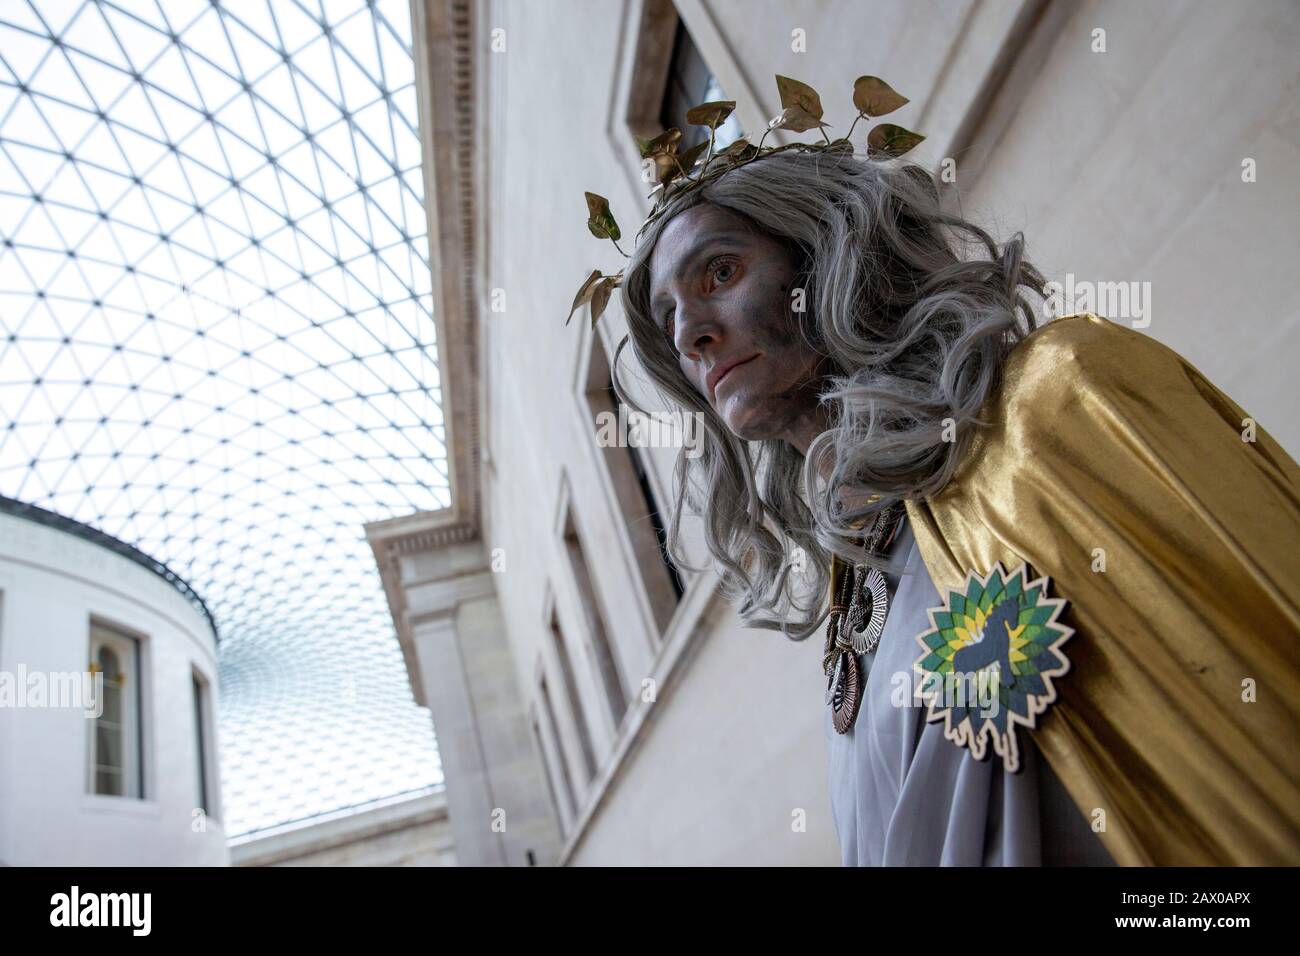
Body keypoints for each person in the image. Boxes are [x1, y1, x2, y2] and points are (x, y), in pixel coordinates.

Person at [573, 80, 1300, 865]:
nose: (694, 334)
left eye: (718, 274)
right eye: (672, 317)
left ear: (823, 256)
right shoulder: (856, 594)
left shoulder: (1056, 400)